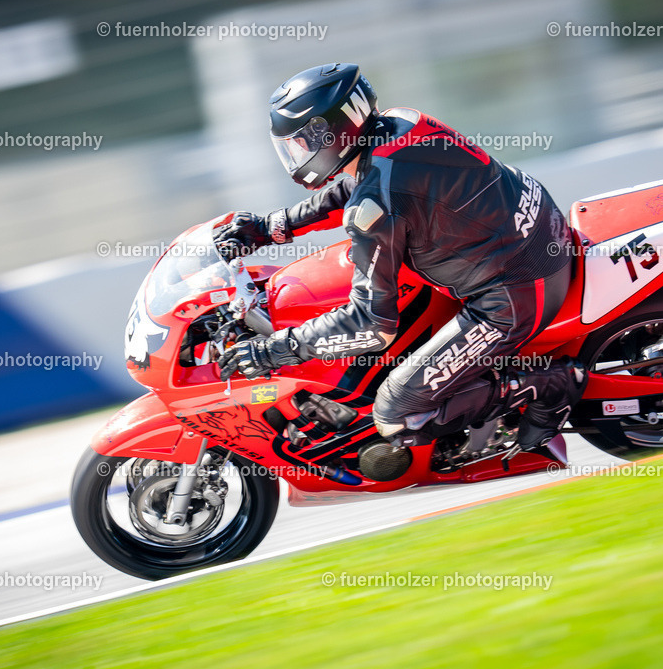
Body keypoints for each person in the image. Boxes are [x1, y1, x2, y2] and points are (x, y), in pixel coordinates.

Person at [216, 62, 586, 460]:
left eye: (303, 142)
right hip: (535, 223)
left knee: (397, 413)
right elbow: (364, 187)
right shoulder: (401, 122)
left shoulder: (374, 205)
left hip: (513, 292)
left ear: (332, 132)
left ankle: (550, 386)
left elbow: (373, 326)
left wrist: (278, 349)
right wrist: (274, 226)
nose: (299, 153)